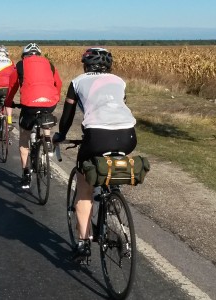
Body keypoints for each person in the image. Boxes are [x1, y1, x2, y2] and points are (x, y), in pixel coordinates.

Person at [51, 47, 137, 261]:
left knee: (84, 188)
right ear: (109, 66)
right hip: (128, 135)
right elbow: (118, 107)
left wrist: (61, 135)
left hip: (97, 135)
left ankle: (83, 242)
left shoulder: (77, 82)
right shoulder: (119, 81)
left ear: (85, 64)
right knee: (111, 165)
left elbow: (68, 114)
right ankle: (113, 195)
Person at [5, 43, 62, 189]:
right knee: (45, 114)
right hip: (50, 102)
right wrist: (55, 98)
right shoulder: (49, 64)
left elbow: (12, 86)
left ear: (24, 55)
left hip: (30, 104)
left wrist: (9, 102)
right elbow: (58, 83)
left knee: (24, 136)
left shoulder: (20, 65)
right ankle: (47, 140)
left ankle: (26, 173)